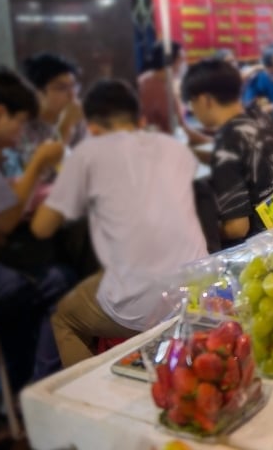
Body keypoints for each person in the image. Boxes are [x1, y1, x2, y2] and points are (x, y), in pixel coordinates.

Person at [30, 80, 207, 367]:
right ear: (139, 120)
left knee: (63, 317)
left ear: (92, 128)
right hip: (202, 289)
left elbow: (41, 227)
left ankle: (92, 394)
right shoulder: (174, 147)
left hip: (148, 305)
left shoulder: (88, 154)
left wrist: (43, 159)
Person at [0, 69, 71, 389]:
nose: (19, 135)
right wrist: (39, 162)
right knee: (57, 281)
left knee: (17, 286)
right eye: (19, 124)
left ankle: (21, 389)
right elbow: (4, 217)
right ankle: (44, 389)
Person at [182, 59, 273, 245]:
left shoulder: (227, 144)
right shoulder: (259, 118)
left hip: (269, 246)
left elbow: (237, 228)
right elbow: (245, 157)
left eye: (192, 102)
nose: (193, 110)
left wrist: (202, 232)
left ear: (205, 100)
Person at [3, 54, 86, 180]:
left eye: (74, 86)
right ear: (36, 93)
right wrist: (65, 129)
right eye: (61, 88)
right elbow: (38, 178)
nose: (72, 95)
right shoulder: (22, 126)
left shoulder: (77, 120)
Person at [137, 41, 187, 135]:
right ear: (172, 61)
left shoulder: (144, 79)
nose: (183, 64)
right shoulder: (163, 89)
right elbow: (182, 129)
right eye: (181, 60)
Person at [242, 43, 273, 111]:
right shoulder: (259, 77)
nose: (270, 72)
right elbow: (249, 98)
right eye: (268, 69)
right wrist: (249, 102)